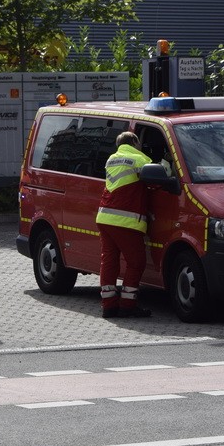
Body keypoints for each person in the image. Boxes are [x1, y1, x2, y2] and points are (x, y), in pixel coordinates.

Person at [95, 131, 152, 319]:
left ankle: (109, 306)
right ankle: (128, 305)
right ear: (135, 142)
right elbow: (159, 175)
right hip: (125, 220)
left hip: (105, 217)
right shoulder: (139, 158)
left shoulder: (111, 158)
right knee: (136, 262)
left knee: (109, 262)